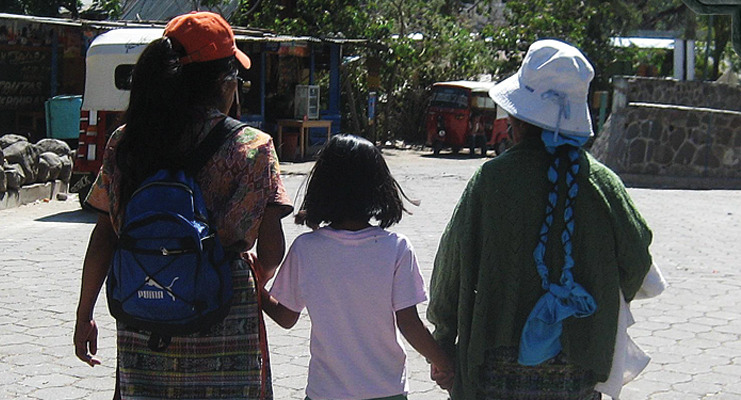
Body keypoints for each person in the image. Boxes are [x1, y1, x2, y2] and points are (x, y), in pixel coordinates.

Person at [73, 12, 292, 399]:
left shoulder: (126, 141)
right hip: (224, 313)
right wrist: (260, 274)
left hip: (145, 307)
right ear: (225, 82)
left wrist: (84, 313)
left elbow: (104, 234)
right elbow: (272, 248)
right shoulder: (253, 148)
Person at [428, 39, 664, 400]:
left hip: (494, 368)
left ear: (518, 119)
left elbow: (452, 270)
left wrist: (443, 340)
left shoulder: (491, 181)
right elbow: (636, 261)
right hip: (578, 366)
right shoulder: (604, 185)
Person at [261, 134, 455, 400]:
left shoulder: (306, 249)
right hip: (386, 391)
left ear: (322, 187)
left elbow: (285, 317)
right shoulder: (396, 248)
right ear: (379, 187)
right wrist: (443, 362)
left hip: (325, 392)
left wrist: (254, 286)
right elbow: (409, 323)